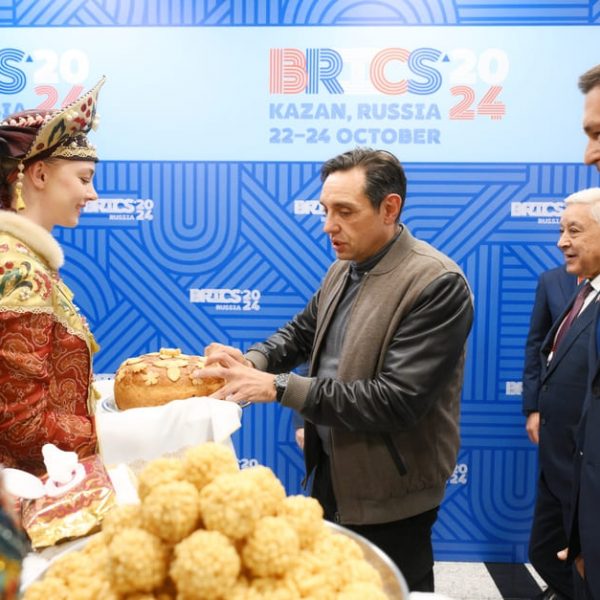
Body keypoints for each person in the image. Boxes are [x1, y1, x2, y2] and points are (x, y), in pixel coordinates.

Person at [197, 147, 474, 592]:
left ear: (390, 208)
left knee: (390, 587)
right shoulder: (343, 268)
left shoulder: (437, 283)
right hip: (332, 471)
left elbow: (396, 400)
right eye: (325, 210)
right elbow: (301, 333)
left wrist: (278, 386)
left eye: (344, 211)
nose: (328, 225)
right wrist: (251, 361)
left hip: (392, 492)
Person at [0, 77, 105, 475]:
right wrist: (128, 430)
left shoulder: (24, 259)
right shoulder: (19, 269)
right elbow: (22, 427)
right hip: (24, 490)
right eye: (84, 179)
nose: (92, 194)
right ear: (40, 175)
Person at [523, 214, 597, 600]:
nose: (562, 241)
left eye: (574, 231)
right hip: (557, 446)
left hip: (585, 453)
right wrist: (533, 407)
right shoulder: (562, 284)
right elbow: (539, 348)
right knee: (545, 548)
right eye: (560, 230)